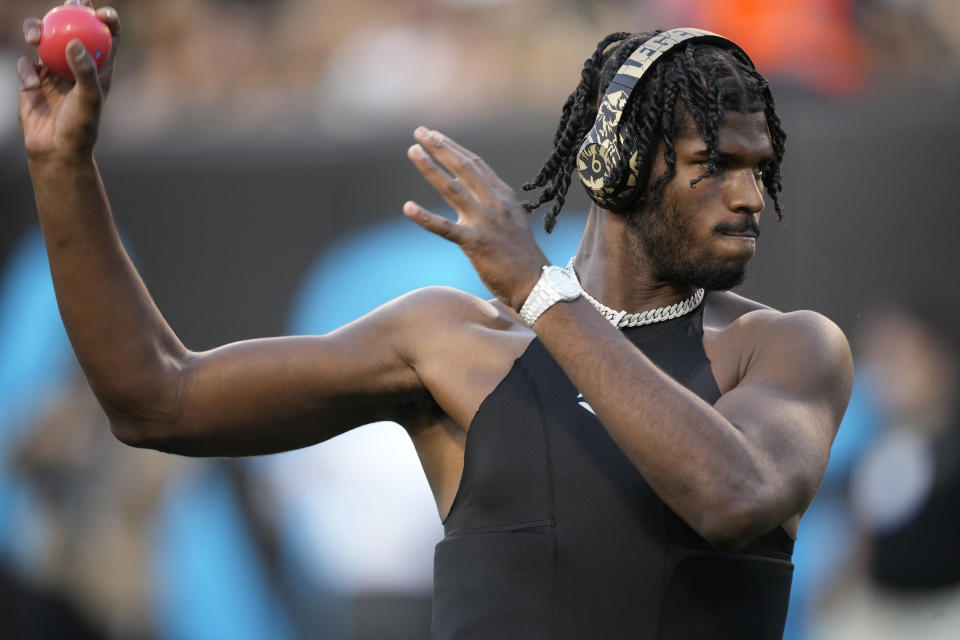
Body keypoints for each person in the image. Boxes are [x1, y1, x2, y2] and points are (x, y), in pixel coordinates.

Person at [17, 3, 853, 638]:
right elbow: (156, 400)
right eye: (717, 166)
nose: (751, 198)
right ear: (617, 165)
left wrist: (538, 289)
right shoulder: (456, 346)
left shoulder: (784, 348)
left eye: (759, 169)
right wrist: (63, 167)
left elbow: (735, 497)